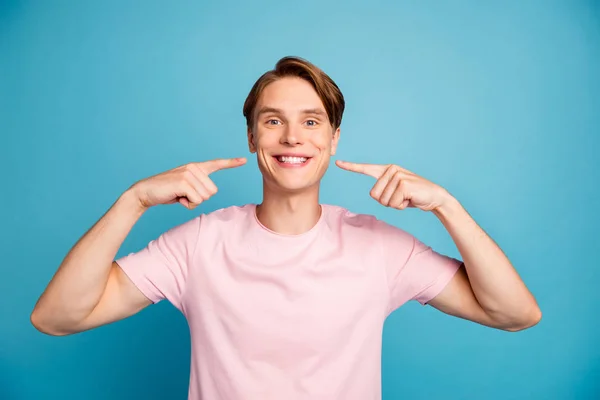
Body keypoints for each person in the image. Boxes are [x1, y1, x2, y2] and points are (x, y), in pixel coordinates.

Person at [31, 56, 541, 400]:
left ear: (334, 139)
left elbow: (515, 314)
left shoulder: (380, 248)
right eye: (273, 120)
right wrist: (134, 199)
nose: (292, 136)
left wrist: (446, 206)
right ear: (252, 136)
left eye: (312, 121)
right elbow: (56, 318)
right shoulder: (198, 244)